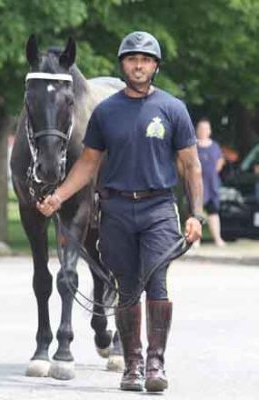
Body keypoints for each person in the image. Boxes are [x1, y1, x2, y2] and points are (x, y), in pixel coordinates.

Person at [37, 31, 204, 392]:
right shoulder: (106, 111)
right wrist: (59, 197)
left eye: (145, 60)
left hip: (159, 207)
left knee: (156, 283)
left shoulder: (173, 109)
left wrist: (196, 214)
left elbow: (191, 166)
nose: (138, 65)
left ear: (155, 66)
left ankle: (155, 364)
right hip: (115, 209)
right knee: (126, 287)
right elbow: (87, 163)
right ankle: (132, 365)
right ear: (123, 65)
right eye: (132, 59)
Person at [196, 118, 226, 247]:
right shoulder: (193, 145)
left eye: (205, 128)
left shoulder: (215, 146)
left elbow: (220, 161)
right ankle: (195, 240)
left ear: (209, 131)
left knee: (213, 212)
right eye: (201, 128)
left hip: (212, 185)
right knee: (197, 212)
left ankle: (218, 239)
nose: (203, 131)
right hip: (197, 185)